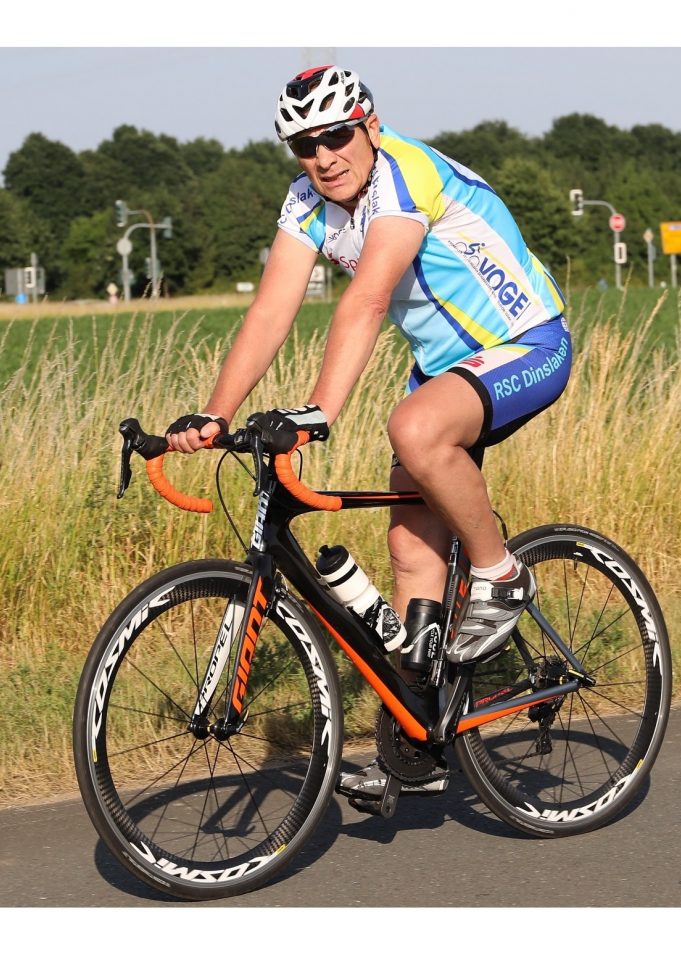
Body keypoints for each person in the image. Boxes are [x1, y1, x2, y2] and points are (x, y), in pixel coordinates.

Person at [165, 65, 573, 799]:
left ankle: (502, 574)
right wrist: (216, 413)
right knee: (410, 547)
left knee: (412, 428)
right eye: (304, 146)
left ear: (370, 126)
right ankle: (418, 737)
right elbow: (271, 310)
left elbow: (368, 299)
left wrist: (319, 411)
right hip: (445, 373)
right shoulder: (306, 203)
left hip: (526, 344)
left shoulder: (404, 176)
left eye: (336, 136)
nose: (323, 157)